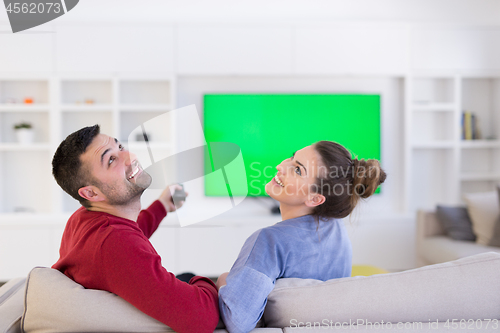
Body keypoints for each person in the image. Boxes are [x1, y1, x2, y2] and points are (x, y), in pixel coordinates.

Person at [51, 125, 219, 333]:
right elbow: (202, 318)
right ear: (91, 193)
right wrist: (215, 283)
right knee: (198, 280)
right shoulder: (113, 244)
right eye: (111, 160)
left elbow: (131, 230)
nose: (130, 157)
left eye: (120, 147)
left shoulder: (85, 219)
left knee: (184, 276)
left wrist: (164, 205)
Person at [216, 141, 387, 333]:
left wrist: (223, 280)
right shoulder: (337, 230)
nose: (281, 166)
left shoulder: (269, 241)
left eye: (297, 170)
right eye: (292, 157)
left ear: (315, 199)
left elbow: (238, 322)